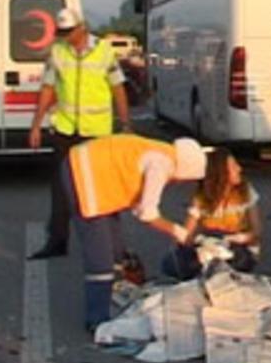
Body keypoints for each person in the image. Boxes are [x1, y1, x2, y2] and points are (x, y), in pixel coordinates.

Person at [62, 134, 208, 331]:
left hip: (90, 170)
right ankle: (97, 320)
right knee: (100, 256)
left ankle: (112, 298)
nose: (179, 184)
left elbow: (139, 204)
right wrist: (180, 233)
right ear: (186, 170)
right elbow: (148, 213)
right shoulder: (162, 164)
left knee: (115, 247)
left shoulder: (161, 151)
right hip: (84, 176)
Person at [27, 8, 132, 260]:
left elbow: (118, 89)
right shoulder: (57, 51)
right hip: (66, 129)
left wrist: (125, 123)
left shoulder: (104, 51)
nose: (66, 37)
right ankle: (57, 241)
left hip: (96, 132)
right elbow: (48, 88)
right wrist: (36, 124)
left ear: (82, 27)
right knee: (62, 188)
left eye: (69, 32)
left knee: (103, 189)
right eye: (62, 32)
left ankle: (115, 247)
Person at [162, 148, 262, 280]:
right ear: (220, 173)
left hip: (238, 246)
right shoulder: (202, 197)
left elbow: (256, 233)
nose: (239, 169)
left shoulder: (246, 192)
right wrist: (200, 243)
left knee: (236, 261)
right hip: (209, 244)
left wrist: (234, 239)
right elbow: (187, 234)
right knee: (174, 263)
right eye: (233, 166)